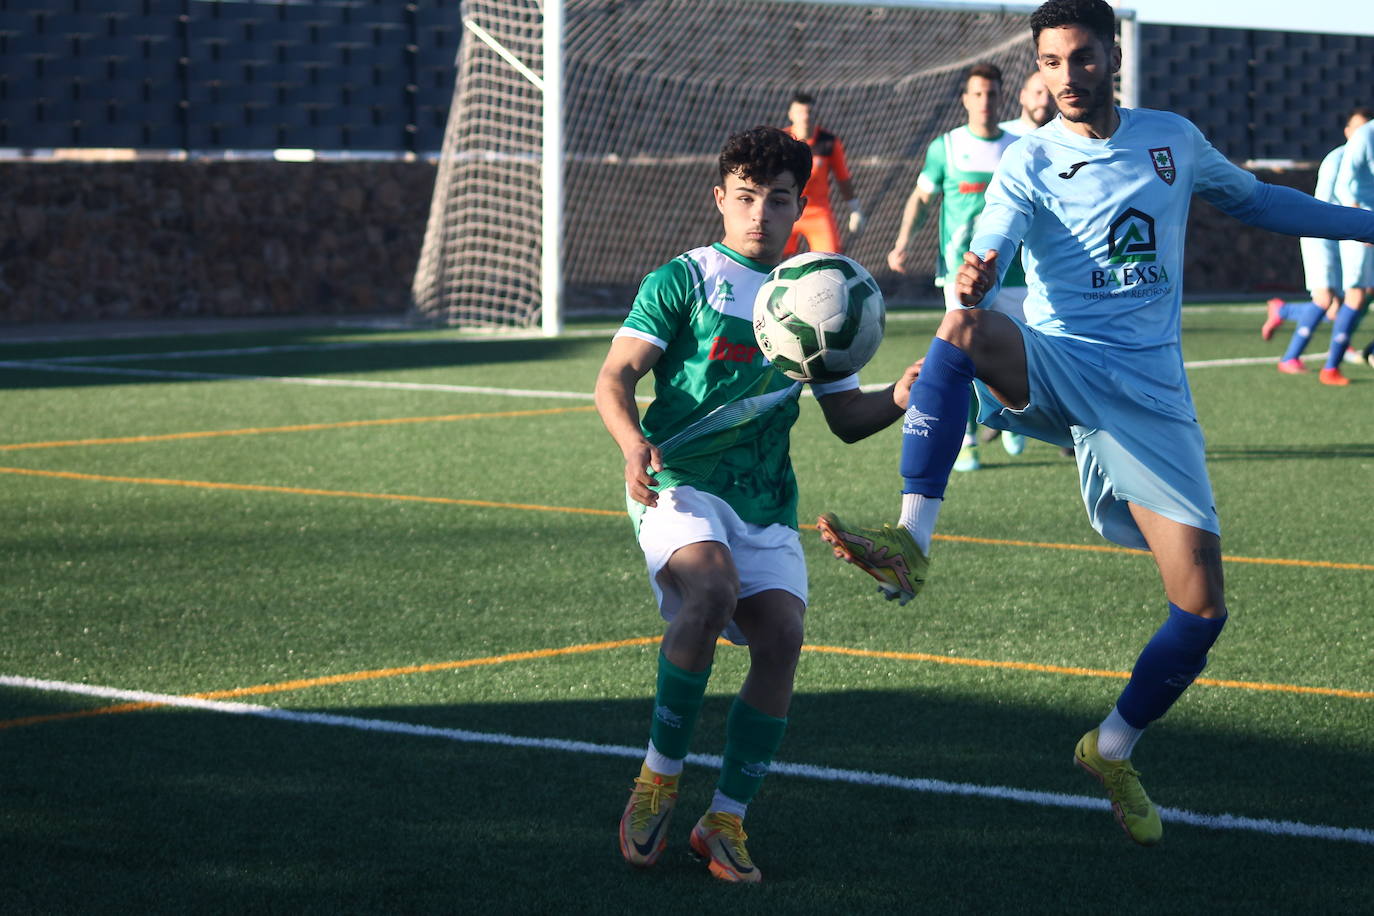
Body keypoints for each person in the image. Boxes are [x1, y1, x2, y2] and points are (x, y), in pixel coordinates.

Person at [814, 0, 1374, 847]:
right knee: (963, 329)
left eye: (1081, 58)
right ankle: (912, 543)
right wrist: (978, 269)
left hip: (1151, 399)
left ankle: (1112, 747)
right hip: (1062, 364)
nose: (1066, 76)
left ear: (1112, 56)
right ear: (1035, 67)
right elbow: (994, 240)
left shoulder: (1172, 139)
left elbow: (1260, 203)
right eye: (1050, 60)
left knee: (1201, 608)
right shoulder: (1028, 158)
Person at [594, 126, 919, 883]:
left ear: (797, 204)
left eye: (776, 201)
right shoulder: (685, 279)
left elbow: (846, 419)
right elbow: (615, 379)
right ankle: (658, 779)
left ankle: (726, 819)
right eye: (744, 198)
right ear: (720, 197)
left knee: (782, 636)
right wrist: (630, 442)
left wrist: (901, 395)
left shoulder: (817, 290)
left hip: (766, 501)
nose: (759, 215)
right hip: (677, 484)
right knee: (710, 589)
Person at [888, 63, 1029, 470]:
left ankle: (1015, 419)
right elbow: (921, 199)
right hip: (960, 274)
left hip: (1017, 274)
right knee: (961, 356)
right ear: (965, 99)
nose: (985, 101)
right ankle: (967, 438)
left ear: (1001, 98)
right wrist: (902, 243)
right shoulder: (946, 147)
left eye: (992, 94)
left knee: (1020, 354)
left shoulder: (1020, 146)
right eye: (978, 94)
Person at [1269, 107, 1374, 383]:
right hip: (1325, 236)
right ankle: (1300, 359)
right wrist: (1359, 225)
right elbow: (1329, 203)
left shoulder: (1362, 154)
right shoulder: (1340, 157)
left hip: (1345, 234)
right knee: (1332, 299)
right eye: (1357, 128)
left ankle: (1284, 312)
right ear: (1348, 131)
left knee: (1340, 304)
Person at [782, 92, 864, 255]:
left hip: (817, 210)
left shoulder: (828, 142)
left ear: (816, 115)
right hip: (784, 208)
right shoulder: (781, 140)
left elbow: (843, 177)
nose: (805, 117)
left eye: (809, 112)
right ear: (791, 115)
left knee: (830, 258)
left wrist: (855, 209)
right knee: (770, 256)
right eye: (800, 112)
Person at [1334, 113, 1374, 370]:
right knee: (1356, 295)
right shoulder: (1365, 136)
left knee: (1367, 293)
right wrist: (1359, 223)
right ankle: (1332, 365)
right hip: (1361, 226)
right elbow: (1343, 183)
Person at [999, 69, 1057, 136]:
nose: (1045, 102)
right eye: (1038, 93)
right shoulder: (1001, 135)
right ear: (1022, 96)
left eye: (1051, 95)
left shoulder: (1064, 140)